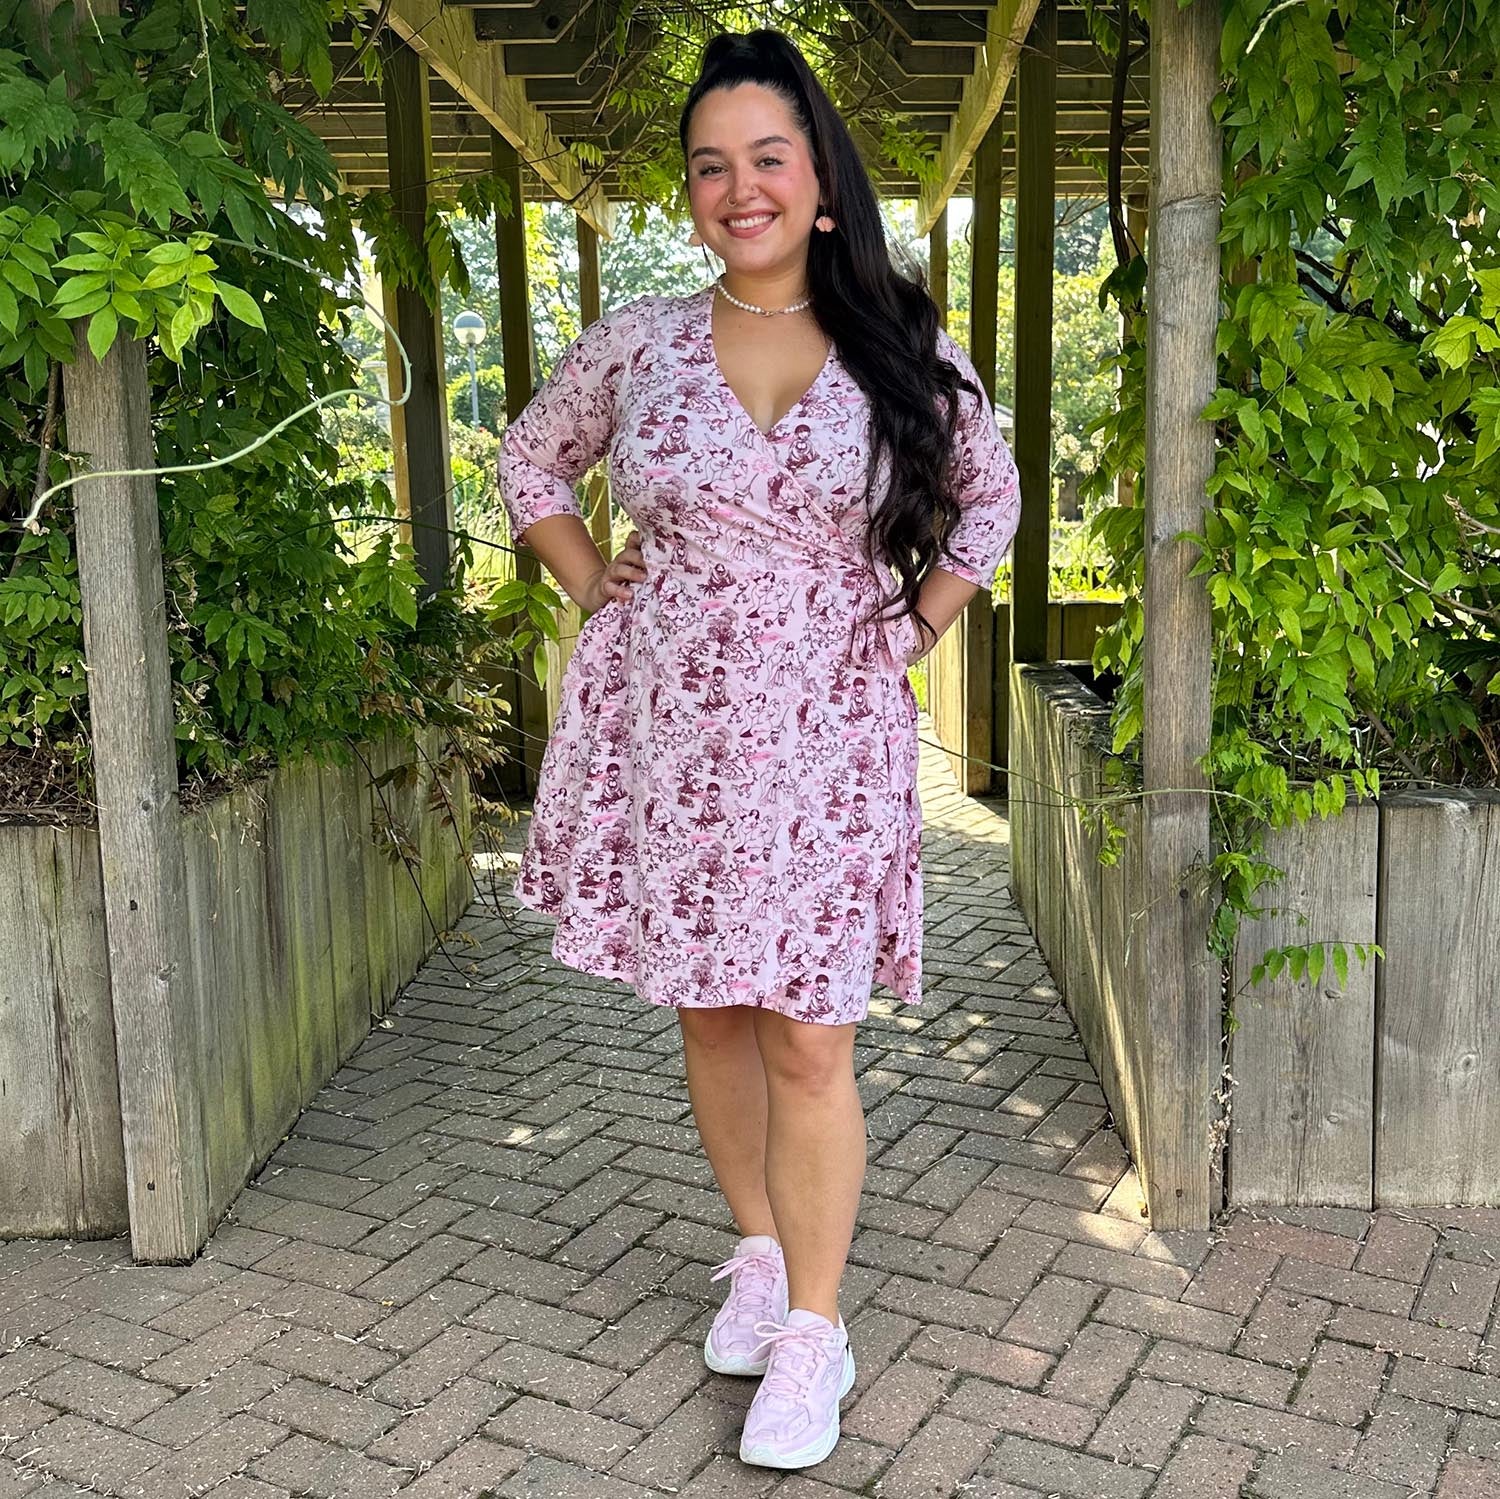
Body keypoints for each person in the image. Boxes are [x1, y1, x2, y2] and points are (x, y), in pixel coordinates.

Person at [497, 28, 1021, 1472]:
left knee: (808, 1032)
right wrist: (591, 580)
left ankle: (814, 1330)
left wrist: (911, 631)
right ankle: (756, 1250)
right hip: (677, 733)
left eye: (768, 159)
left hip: (830, 742)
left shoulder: (902, 349)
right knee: (715, 1013)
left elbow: (989, 497)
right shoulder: (641, 344)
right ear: (691, 193)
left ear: (823, 182)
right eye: (710, 167)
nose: (741, 190)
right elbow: (530, 456)